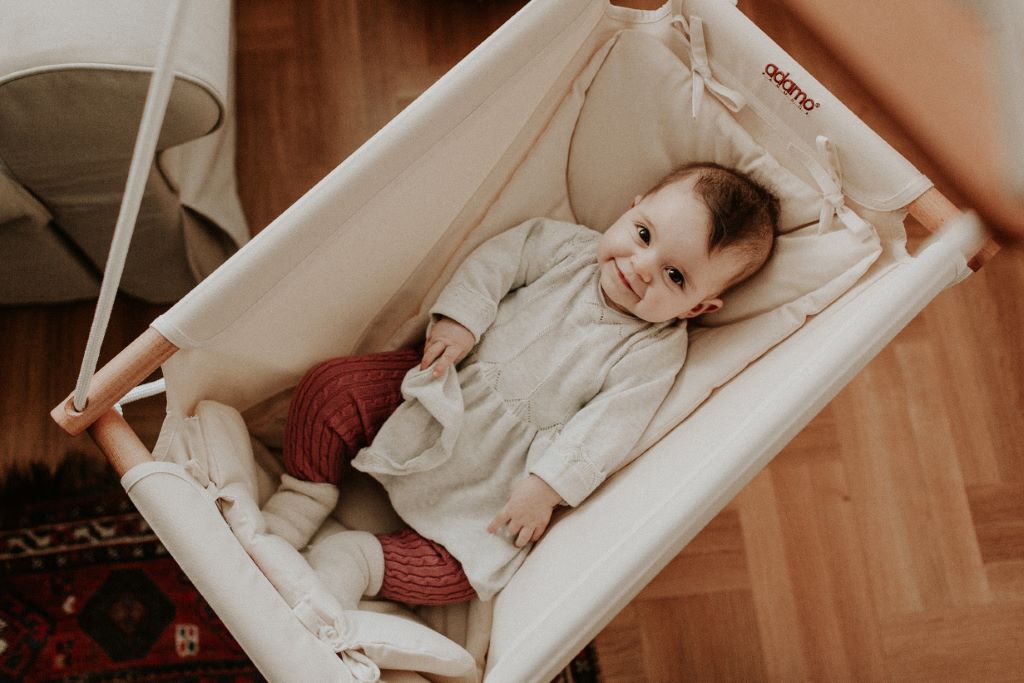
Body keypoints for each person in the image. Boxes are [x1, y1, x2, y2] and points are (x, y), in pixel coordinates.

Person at [259, 161, 780, 609]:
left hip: (501, 471)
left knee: (470, 570)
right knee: (331, 387)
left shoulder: (656, 353)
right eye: (643, 235)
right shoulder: (563, 247)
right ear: (632, 206)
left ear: (699, 308)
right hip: (444, 386)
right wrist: (460, 321)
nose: (641, 267)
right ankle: (303, 497)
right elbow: (495, 265)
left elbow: (610, 425)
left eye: (675, 276)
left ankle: (359, 560)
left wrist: (546, 489)